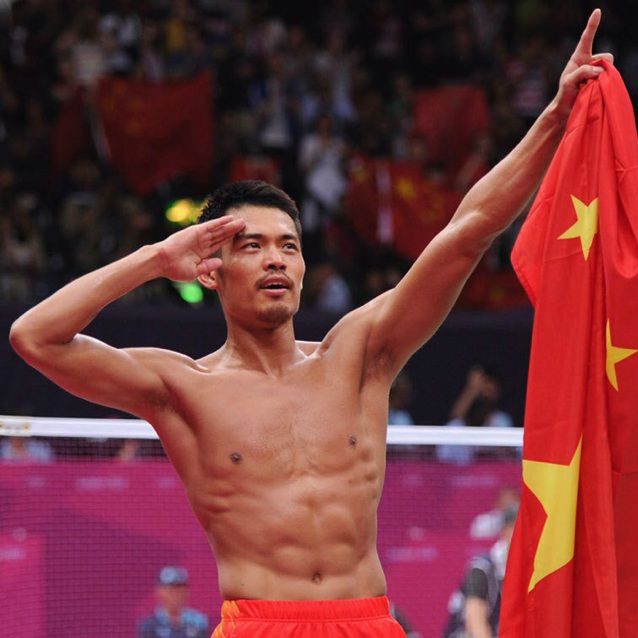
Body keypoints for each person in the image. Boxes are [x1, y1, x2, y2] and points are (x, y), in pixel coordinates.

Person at [9, 12, 611, 637]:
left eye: (288, 246)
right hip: (259, 625)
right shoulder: (180, 387)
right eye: (252, 246)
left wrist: (554, 119)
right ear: (211, 270)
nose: (275, 259)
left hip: (367, 622)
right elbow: (35, 337)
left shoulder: (360, 356)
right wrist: (156, 259)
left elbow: (467, 233)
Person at [442, 504, 518, 638]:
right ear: (505, 530)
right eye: (518, 528)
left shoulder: (530, 569)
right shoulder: (481, 568)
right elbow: (475, 621)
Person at [436, 364, 513, 464]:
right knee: (454, 426)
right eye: (482, 385)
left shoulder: (500, 420)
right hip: (461, 470)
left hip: (491, 470)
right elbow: (456, 416)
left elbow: (508, 455)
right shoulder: (459, 424)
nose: (484, 389)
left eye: (488, 384)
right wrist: (473, 389)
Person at [137, 566, 209, 638]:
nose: (175, 594)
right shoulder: (149, 626)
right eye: (171, 590)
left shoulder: (198, 622)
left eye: (179, 590)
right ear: (159, 591)